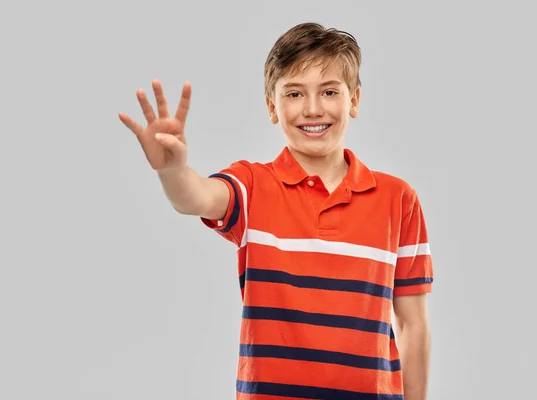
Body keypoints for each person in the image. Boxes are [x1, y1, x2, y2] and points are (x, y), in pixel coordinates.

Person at [119, 22, 434, 400]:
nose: (313, 108)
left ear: (354, 100)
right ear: (272, 106)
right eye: (295, 93)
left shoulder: (398, 199)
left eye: (330, 91)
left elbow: (413, 325)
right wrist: (172, 170)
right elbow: (195, 197)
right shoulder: (253, 186)